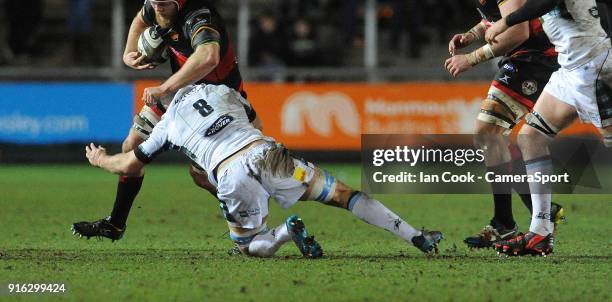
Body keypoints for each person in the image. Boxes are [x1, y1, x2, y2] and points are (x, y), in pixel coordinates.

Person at [79, 83, 443, 257]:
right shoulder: (222, 90)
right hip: (266, 152)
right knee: (344, 195)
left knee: (248, 246)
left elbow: (129, 163)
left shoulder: (167, 124)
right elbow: (254, 118)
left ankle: (286, 231)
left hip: (230, 172)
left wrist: (100, 160)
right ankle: (416, 237)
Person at [71, 0, 260, 241]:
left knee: (202, 176)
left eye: (165, 4)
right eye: (154, 2)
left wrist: (164, 87)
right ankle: (116, 224)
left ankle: (249, 225)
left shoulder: (198, 15)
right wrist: (127, 54)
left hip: (216, 94)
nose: (158, 9)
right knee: (131, 145)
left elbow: (208, 57)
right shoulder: (157, 4)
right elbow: (139, 19)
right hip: (181, 91)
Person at [484, 0, 612, 256]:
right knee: (530, 137)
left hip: (595, 71)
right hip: (573, 70)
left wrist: (504, 21)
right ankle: (540, 230)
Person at [443, 0, 564, 249]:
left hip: (534, 59)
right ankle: (527, 215)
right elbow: (495, 19)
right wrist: (471, 34)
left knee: (488, 134)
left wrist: (472, 58)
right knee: (495, 139)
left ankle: (509, 223)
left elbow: (518, 30)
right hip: (523, 59)